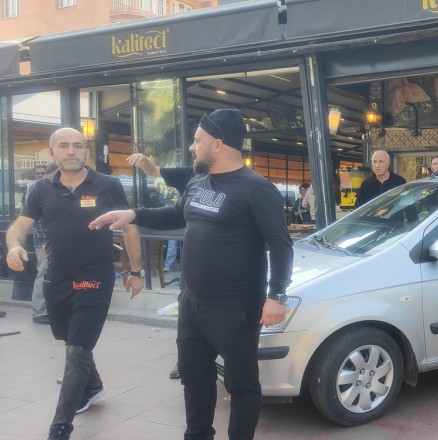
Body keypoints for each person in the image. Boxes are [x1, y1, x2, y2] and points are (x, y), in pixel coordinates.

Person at [89, 108, 293, 440]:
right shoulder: (199, 181)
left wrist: (276, 295)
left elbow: (281, 245)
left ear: (218, 144)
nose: (191, 147)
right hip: (192, 305)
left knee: (242, 385)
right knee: (194, 378)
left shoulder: (257, 189)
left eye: (197, 140)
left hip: (236, 309)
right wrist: (131, 214)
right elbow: (175, 213)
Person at [5, 127, 145, 440]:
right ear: (52, 153)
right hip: (56, 279)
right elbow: (19, 227)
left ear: (86, 152)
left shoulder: (107, 185)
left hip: (95, 278)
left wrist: (137, 271)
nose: (72, 151)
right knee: (69, 342)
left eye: (78, 146)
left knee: (78, 350)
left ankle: (60, 427)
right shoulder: (40, 189)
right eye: (64, 146)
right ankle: (93, 386)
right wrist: (14, 246)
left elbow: (130, 229)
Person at [127, 152, 195, 379]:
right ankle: (184, 361)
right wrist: (145, 162)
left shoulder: (242, 184)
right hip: (194, 262)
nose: (192, 147)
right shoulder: (190, 174)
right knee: (187, 313)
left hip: (225, 268)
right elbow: (154, 171)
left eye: (198, 141)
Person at [25, 162, 59, 325]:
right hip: (45, 241)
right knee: (43, 273)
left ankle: (51, 309)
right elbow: (36, 219)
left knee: (52, 274)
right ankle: (39, 311)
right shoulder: (39, 187)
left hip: (55, 240)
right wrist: (45, 241)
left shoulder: (54, 185)